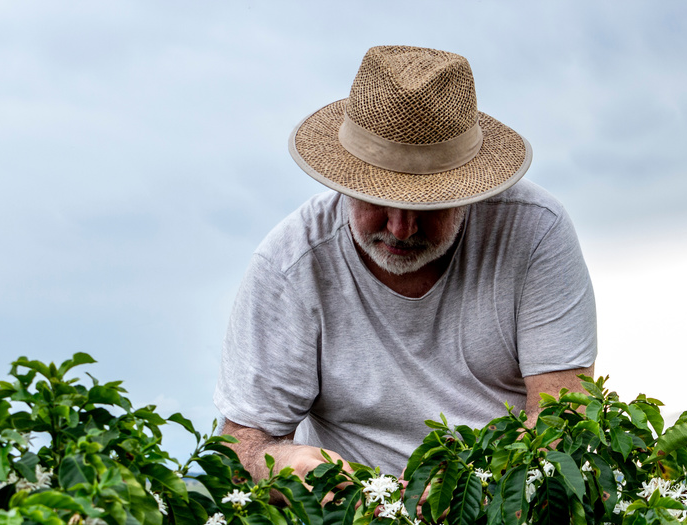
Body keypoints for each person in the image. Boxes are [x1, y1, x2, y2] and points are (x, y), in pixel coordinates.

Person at [215, 45, 597, 482]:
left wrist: (470, 492)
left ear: (470, 189)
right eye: (379, 199)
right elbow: (243, 443)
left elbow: (563, 416)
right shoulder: (292, 263)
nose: (400, 228)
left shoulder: (533, 231)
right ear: (346, 178)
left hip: (502, 513)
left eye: (429, 204)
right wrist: (282, 464)